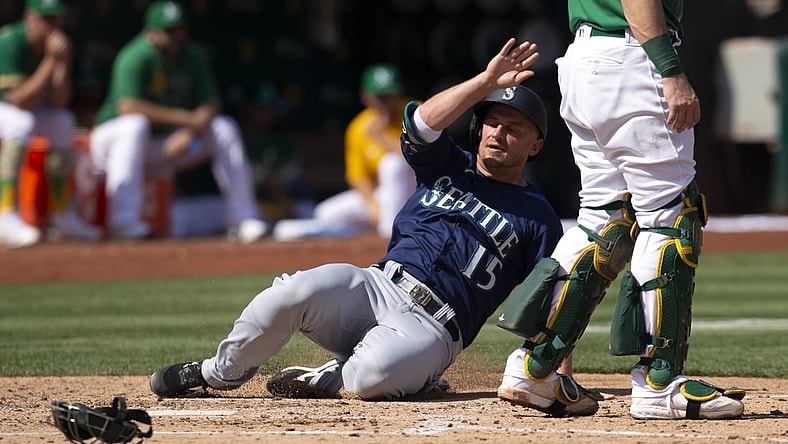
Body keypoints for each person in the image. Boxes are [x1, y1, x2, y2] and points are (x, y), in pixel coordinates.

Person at [149, 38, 602, 415]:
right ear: (477, 129)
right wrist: (485, 82)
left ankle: (335, 376)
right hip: (376, 284)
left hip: (435, 329)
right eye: (492, 123)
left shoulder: (536, 214)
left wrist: (554, 372)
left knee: (371, 379)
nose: (498, 133)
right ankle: (215, 373)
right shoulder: (449, 164)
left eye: (514, 129)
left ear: (536, 146)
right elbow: (421, 124)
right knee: (290, 293)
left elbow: (552, 298)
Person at [495, 0, 746, 420]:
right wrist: (670, 69)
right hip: (632, 57)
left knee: (603, 219)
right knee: (670, 218)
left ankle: (533, 367)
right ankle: (658, 383)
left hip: (584, 61)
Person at [89, 0, 268, 242]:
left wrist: (191, 131)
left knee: (224, 128)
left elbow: (211, 103)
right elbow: (128, 106)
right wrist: (185, 119)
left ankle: (244, 216)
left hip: (164, 142)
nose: (177, 36)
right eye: (169, 31)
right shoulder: (135, 55)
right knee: (135, 125)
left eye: (180, 29)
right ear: (150, 32)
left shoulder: (192, 55)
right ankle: (124, 222)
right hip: (112, 144)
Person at [271, 63, 415, 241]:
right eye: (379, 96)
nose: (385, 102)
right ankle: (372, 236)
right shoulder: (359, 127)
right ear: (366, 97)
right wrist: (372, 205)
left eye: (389, 95)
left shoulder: (414, 113)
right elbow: (357, 176)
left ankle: (389, 237)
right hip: (385, 196)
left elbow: (424, 157)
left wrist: (383, 138)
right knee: (326, 214)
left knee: (392, 164)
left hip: (418, 191)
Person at [0, 0, 101, 248]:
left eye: (57, 19)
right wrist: (49, 61)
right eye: (46, 19)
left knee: (62, 122)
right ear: (29, 18)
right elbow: (19, 100)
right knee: (20, 123)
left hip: (29, 108)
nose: (53, 26)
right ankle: (5, 215)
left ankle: (61, 216)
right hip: (9, 107)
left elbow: (59, 102)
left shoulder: (58, 47)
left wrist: (62, 63)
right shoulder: (9, 41)